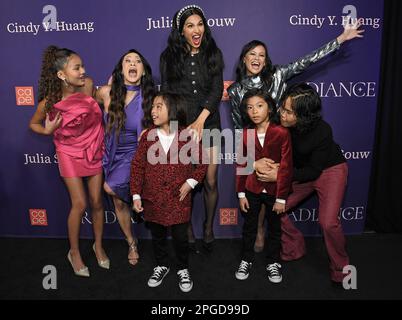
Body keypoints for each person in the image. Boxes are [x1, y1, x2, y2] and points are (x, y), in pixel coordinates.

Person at [228, 20, 364, 252]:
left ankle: (263, 228)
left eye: (262, 54)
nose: (257, 58)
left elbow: (307, 60)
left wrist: (340, 39)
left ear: (266, 59)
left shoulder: (278, 75)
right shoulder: (234, 91)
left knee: (271, 190)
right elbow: (239, 127)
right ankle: (260, 229)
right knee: (255, 186)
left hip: (281, 140)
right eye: (252, 53)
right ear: (244, 58)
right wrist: (250, 159)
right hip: (255, 145)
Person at [255, 83, 349, 285]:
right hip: (299, 172)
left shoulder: (322, 130)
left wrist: (280, 175)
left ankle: (341, 270)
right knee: (276, 206)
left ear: (304, 116)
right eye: (282, 107)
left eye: (289, 112)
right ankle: (293, 247)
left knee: (328, 222)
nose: (282, 113)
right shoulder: (281, 125)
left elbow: (314, 171)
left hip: (330, 171)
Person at [29, 46, 109, 277]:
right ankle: (74, 252)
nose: (83, 71)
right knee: (80, 203)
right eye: (77, 68)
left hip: (93, 145)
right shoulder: (49, 102)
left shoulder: (87, 85)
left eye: (82, 66)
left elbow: (102, 101)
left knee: (96, 201)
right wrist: (47, 131)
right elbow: (33, 124)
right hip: (68, 151)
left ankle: (98, 245)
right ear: (62, 75)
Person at [160, 4, 224, 251]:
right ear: (181, 31)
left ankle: (208, 226)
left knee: (209, 181)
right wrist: (181, 126)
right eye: (190, 25)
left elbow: (216, 90)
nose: (196, 30)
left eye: (200, 24)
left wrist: (201, 120)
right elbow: (167, 93)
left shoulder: (213, 53)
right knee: (183, 181)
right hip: (181, 127)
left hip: (210, 125)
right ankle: (186, 227)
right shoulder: (169, 57)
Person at [130, 92, 208, 292]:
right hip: (153, 199)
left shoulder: (186, 135)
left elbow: (201, 163)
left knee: (181, 238)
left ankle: (183, 268)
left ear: (172, 110)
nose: (153, 111)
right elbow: (138, 166)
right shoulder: (147, 136)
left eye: (159, 107)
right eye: (153, 107)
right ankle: (162, 265)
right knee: (158, 237)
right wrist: (136, 194)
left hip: (179, 199)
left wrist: (190, 182)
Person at [96, 49, 154, 265]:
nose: (132, 64)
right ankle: (131, 241)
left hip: (136, 153)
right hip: (111, 153)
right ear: (120, 69)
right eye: (127, 61)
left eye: (137, 61)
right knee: (118, 203)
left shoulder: (150, 97)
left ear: (143, 71)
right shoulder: (106, 92)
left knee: (110, 187)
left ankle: (138, 200)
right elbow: (87, 96)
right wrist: (109, 87)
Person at [235, 89, 292, 283]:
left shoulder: (282, 133)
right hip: (252, 189)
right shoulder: (245, 134)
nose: (255, 111)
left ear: (269, 107)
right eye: (250, 107)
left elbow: (285, 166)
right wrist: (241, 193)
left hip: (275, 191)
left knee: (275, 229)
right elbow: (242, 164)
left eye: (259, 106)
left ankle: (273, 262)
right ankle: (246, 259)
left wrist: (281, 197)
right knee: (249, 227)